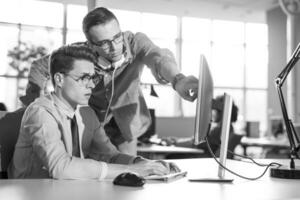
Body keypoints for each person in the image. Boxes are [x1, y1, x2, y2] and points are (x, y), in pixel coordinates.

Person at [24, 7, 198, 155]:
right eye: (105, 43)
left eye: (117, 38)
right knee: (87, 177)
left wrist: (178, 80)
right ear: (91, 45)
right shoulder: (79, 53)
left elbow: (159, 58)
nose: (115, 48)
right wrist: (39, 107)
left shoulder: (136, 43)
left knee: (128, 177)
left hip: (126, 126)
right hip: (88, 124)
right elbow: (39, 68)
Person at [8, 44, 180, 179]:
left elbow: (110, 156)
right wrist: (130, 170)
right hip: (32, 191)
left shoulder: (85, 113)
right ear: (59, 79)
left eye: (91, 78)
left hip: (65, 191)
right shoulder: (41, 113)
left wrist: (143, 163)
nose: (91, 85)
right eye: (83, 78)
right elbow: (60, 168)